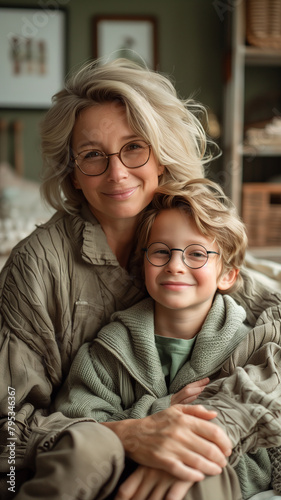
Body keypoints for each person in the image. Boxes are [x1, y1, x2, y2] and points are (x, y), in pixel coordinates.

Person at [0, 58, 280, 500]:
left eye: (134, 147)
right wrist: (131, 432)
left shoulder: (193, 229)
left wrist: (215, 422)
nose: (116, 173)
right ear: (72, 172)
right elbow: (7, 428)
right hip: (86, 449)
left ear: (162, 154)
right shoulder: (36, 266)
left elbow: (277, 335)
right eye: (93, 154)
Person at [55, 177, 281, 500]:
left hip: (215, 474)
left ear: (228, 274)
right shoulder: (109, 349)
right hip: (122, 474)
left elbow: (264, 448)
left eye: (196, 254)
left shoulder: (249, 348)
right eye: (161, 251)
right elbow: (79, 427)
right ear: (143, 262)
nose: (175, 265)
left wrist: (189, 450)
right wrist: (161, 412)